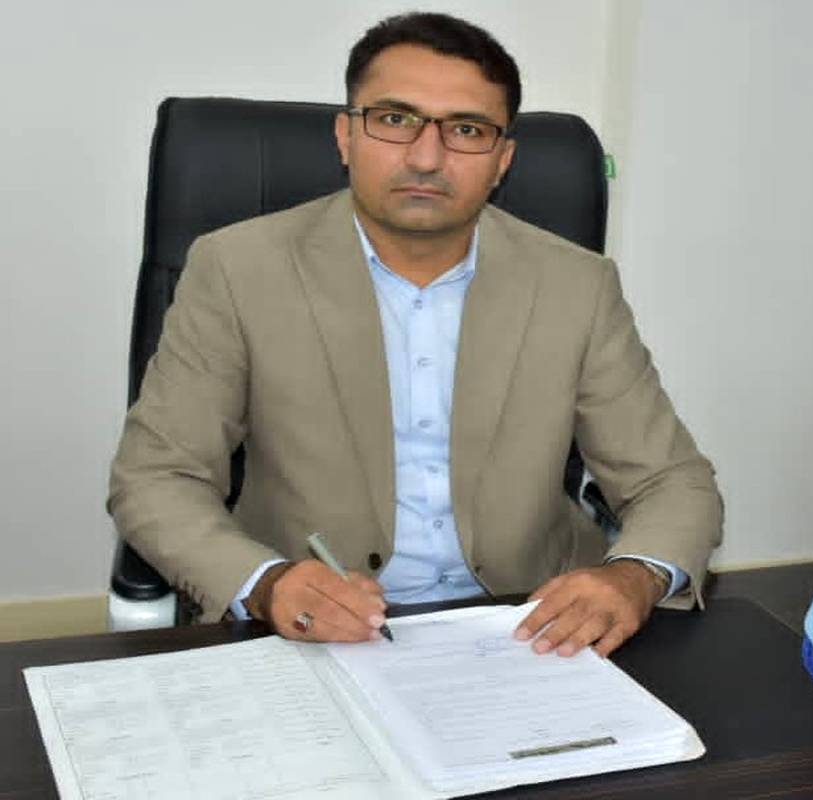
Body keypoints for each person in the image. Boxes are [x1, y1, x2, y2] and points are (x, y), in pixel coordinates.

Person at [108, 12, 721, 658]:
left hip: (531, 629)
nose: (427, 158)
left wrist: (634, 576)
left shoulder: (578, 285)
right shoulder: (237, 269)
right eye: (395, 119)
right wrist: (264, 584)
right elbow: (156, 476)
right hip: (314, 626)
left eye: (467, 130)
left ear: (502, 160)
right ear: (346, 136)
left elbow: (672, 482)